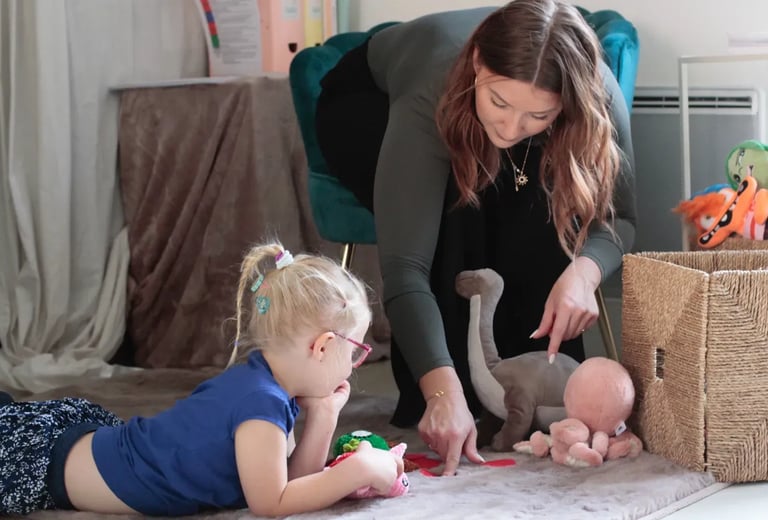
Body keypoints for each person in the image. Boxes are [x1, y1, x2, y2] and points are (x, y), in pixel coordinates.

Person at [314, 0, 636, 476]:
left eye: (538, 116)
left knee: (541, 197)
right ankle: (455, 387)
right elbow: (406, 267)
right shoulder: (435, 86)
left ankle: (526, 391)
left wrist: (583, 274)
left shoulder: (597, 96)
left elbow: (621, 219)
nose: (510, 128)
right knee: (455, 203)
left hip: (474, 92)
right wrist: (442, 392)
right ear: (479, 66)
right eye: (499, 103)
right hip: (367, 103)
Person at [0, 242, 404, 516]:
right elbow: (272, 502)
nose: (355, 364)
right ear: (322, 346)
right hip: (49, 465)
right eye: (356, 351)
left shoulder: (264, 384)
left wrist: (325, 416)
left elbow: (293, 481)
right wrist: (358, 470)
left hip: (87, 447)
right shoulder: (260, 405)